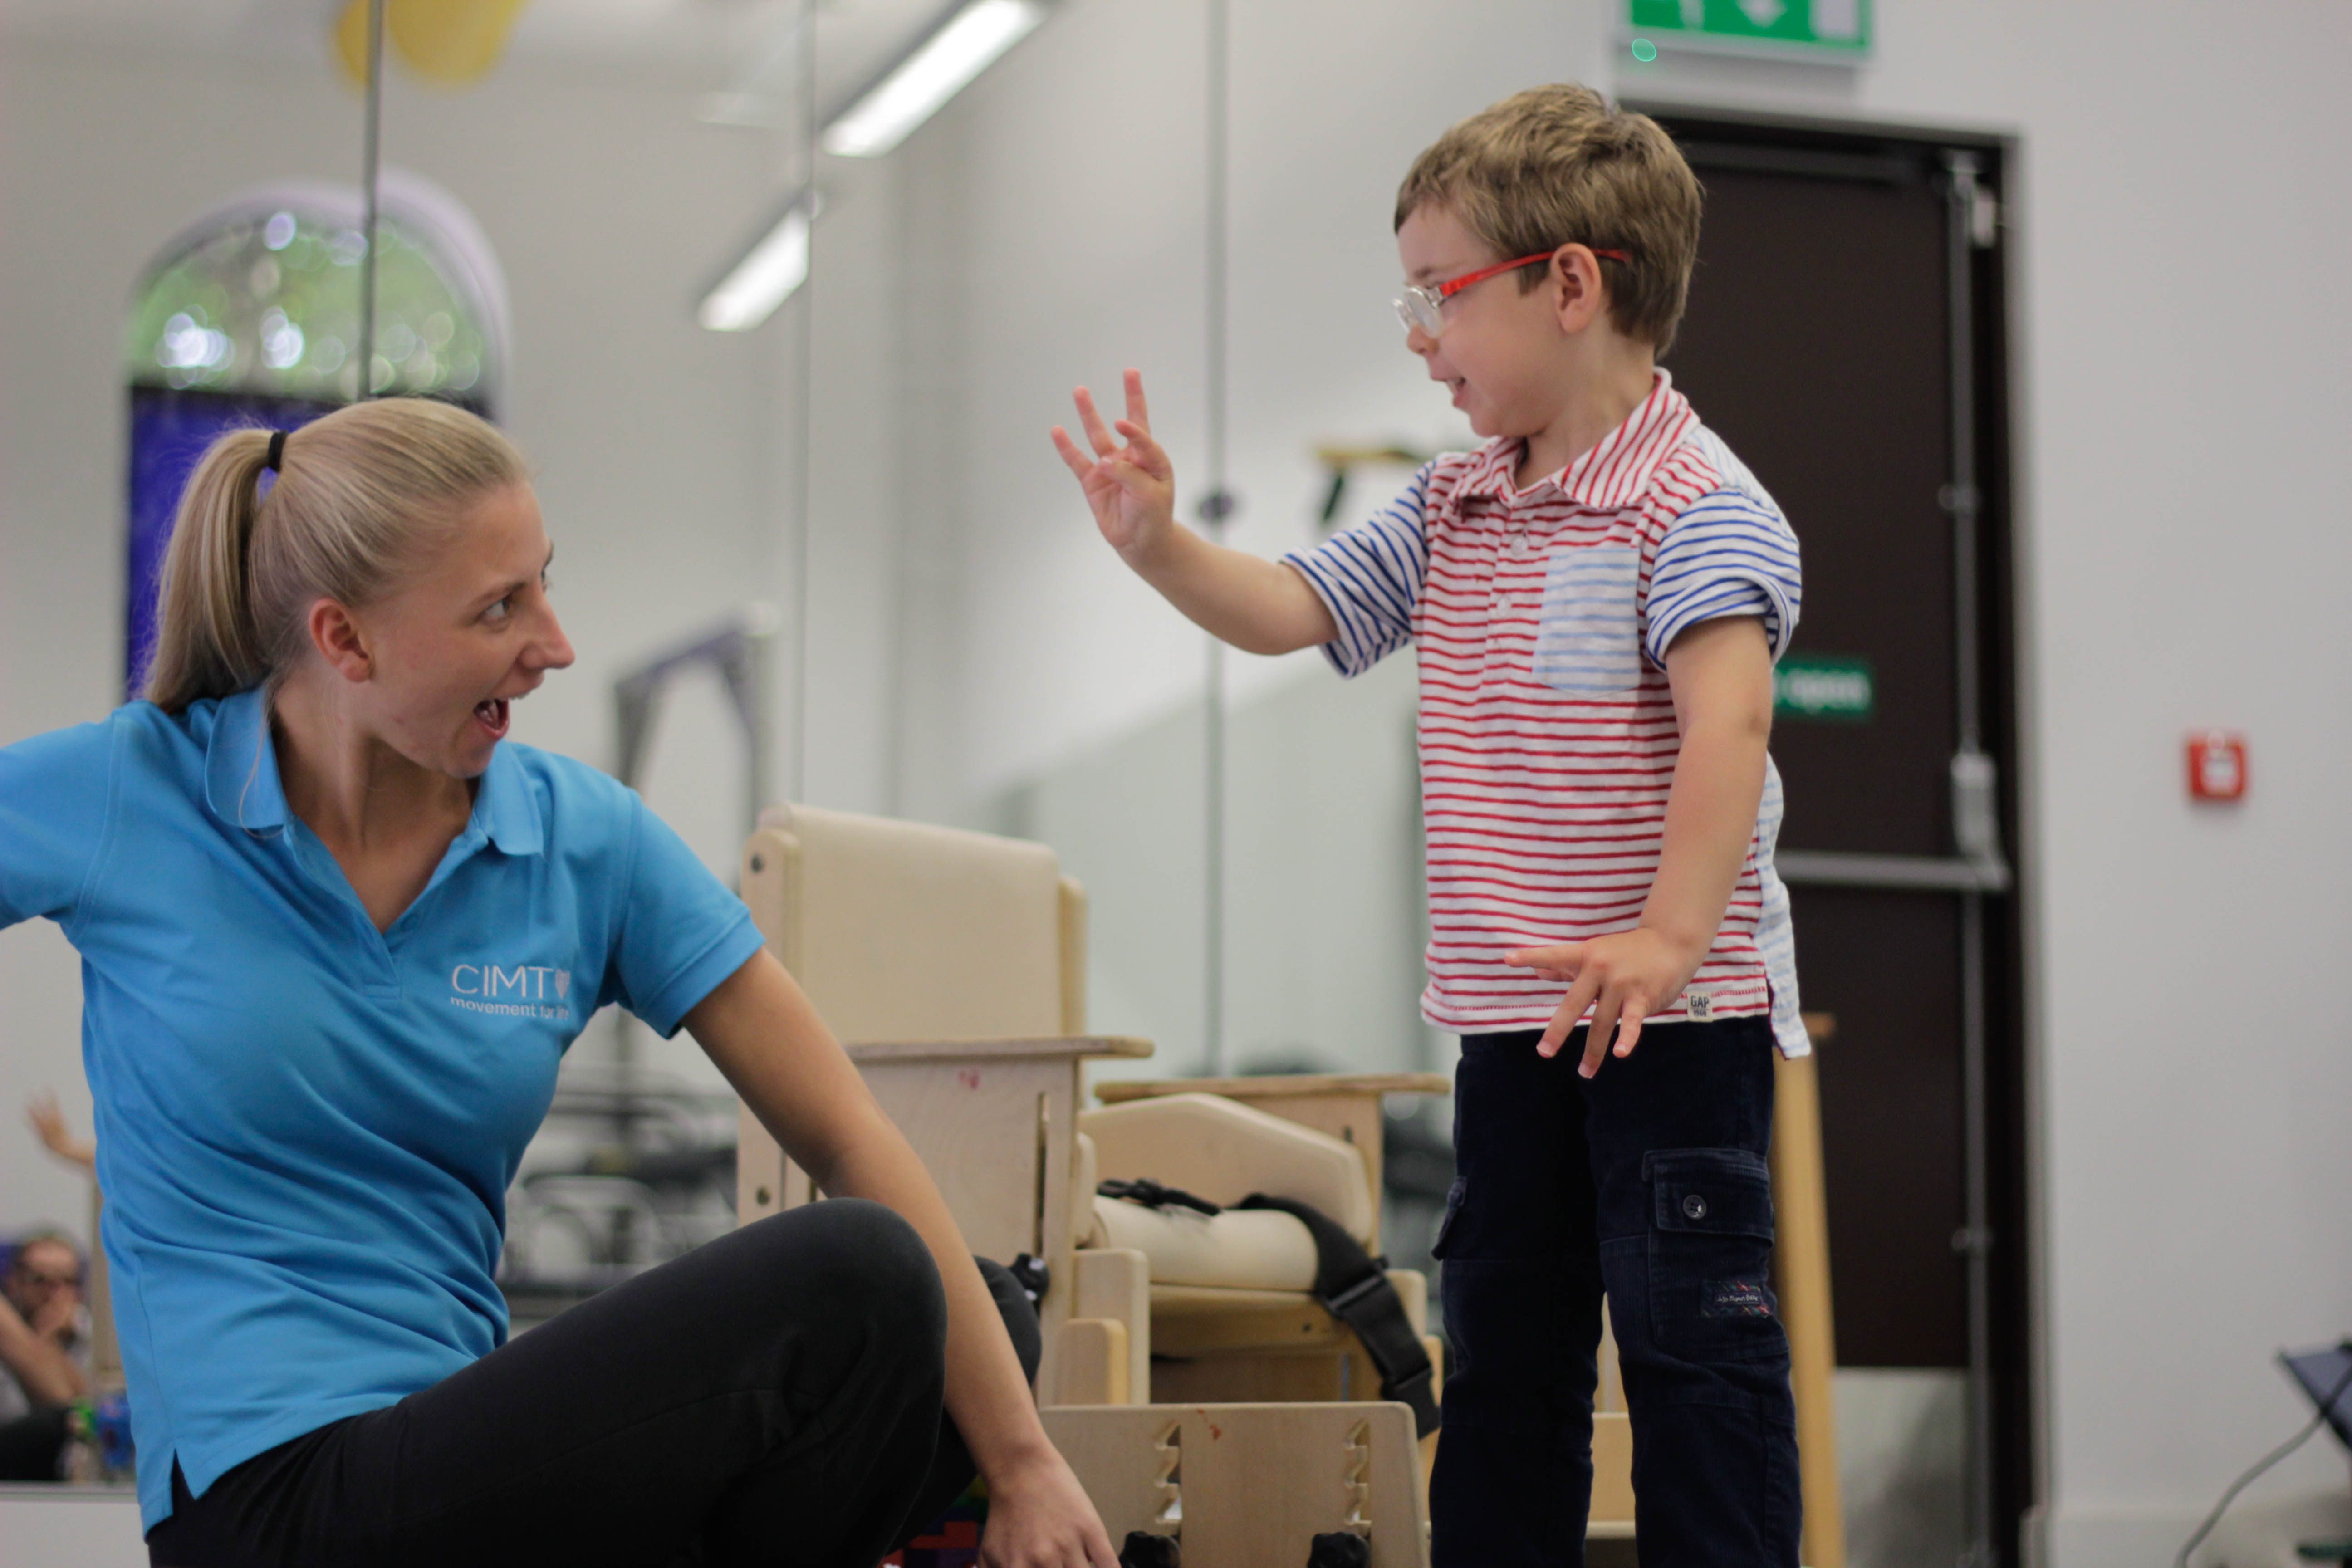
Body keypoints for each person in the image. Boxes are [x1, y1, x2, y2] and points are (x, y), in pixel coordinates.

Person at [0, 398, 1117, 1568]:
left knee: (972, 1313)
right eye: (500, 607)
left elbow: (845, 1131)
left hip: (458, 1465)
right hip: (266, 1501)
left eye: (544, 583)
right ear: (346, 640)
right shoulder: (136, 789)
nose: (556, 641)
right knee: (867, 1274)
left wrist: (1025, 1464)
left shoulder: (581, 837)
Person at [1051, 83, 1805, 1566]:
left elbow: (1731, 723)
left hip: (1676, 1020)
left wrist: (1664, 934)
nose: (1415, 333)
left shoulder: (1693, 502)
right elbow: (1291, 606)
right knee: (1508, 1354)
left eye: (1437, 293)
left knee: (1692, 1361)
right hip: (1513, 1025)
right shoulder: (1450, 504)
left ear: (1569, 283)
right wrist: (1160, 547)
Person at [0, 1230, 90, 1480]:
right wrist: (42, 1340)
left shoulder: (94, 1339)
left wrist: (52, 1344)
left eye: (68, 1281)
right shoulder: (7, 1339)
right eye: (41, 1280)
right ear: (14, 1283)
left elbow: (82, 1415)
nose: (55, 1292)